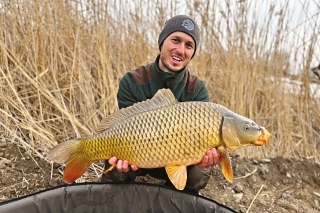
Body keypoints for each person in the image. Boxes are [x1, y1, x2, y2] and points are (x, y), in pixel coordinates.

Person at [101, 15, 221, 193]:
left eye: (189, 45)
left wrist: (205, 156)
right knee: (115, 165)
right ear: (162, 42)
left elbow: (204, 142)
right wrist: (122, 158)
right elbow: (123, 127)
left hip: (179, 159)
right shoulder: (132, 80)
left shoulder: (197, 90)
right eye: (176, 40)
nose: (181, 50)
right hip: (138, 156)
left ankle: (176, 199)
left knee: (200, 172)